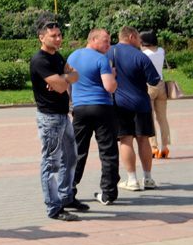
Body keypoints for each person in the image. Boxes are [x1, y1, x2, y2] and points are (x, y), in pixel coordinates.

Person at [29, 21, 80, 221]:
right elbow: (61, 86)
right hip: (50, 118)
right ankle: (53, 207)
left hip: (63, 115)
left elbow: (75, 75)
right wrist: (64, 78)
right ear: (42, 38)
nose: (58, 39)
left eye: (59, 35)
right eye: (53, 36)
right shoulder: (39, 60)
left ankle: (66, 197)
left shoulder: (57, 56)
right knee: (51, 163)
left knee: (71, 157)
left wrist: (63, 77)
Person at [66, 28, 118, 206]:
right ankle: (108, 193)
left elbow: (68, 83)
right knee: (108, 150)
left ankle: (69, 189)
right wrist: (114, 76)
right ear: (93, 39)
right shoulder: (101, 59)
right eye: (106, 41)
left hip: (80, 109)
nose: (108, 44)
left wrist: (73, 101)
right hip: (102, 107)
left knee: (78, 151)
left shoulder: (72, 56)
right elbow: (109, 87)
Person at [111, 26, 161, 190]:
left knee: (125, 140)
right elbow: (154, 80)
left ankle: (132, 180)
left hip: (119, 104)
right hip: (141, 104)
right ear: (131, 36)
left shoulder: (109, 53)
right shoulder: (141, 57)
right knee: (143, 139)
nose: (140, 41)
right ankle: (148, 178)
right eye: (138, 38)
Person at [140, 30, 171, 159]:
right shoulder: (161, 51)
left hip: (149, 86)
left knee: (150, 118)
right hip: (161, 85)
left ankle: (154, 147)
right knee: (162, 118)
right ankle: (165, 147)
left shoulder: (143, 54)